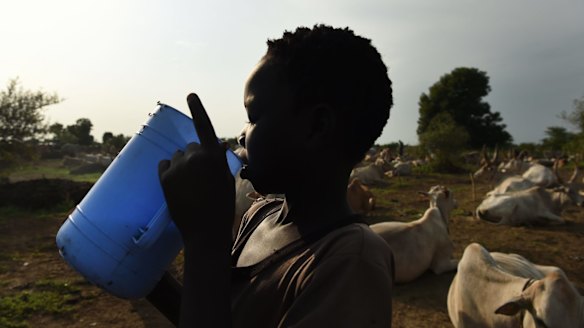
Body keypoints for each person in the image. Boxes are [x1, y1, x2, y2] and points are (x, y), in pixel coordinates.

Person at [147, 24, 395, 327]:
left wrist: (204, 242)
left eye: (253, 118)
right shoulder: (261, 216)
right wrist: (150, 279)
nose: (240, 136)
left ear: (316, 126)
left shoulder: (353, 263)